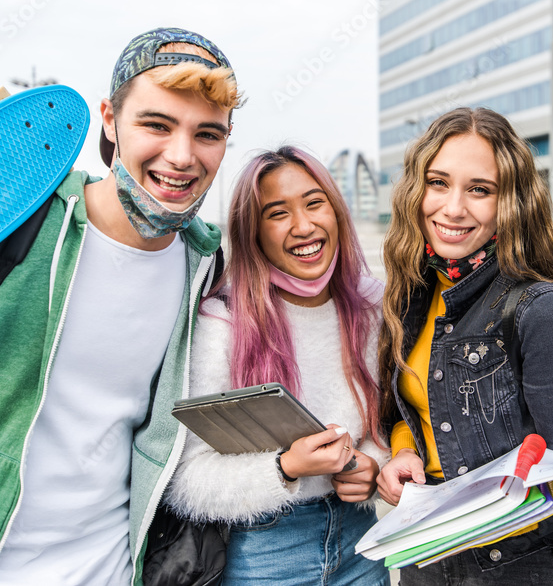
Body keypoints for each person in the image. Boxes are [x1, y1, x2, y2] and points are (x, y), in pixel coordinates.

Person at [0, 27, 242, 584]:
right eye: (156, 124)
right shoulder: (17, 217)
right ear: (109, 119)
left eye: (208, 134)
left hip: (106, 569)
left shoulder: (205, 263)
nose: (182, 156)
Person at [375, 107, 553, 584]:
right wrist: (401, 454)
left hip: (515, 567)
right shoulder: (413, 294)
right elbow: (405, 413)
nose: (453, 208)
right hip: (427, 554)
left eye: (479, 189)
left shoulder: (539, 308)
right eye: (438, 183)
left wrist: (493, 504)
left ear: (510, 203)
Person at [164, 146, 390, 585]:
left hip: (361, 541)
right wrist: (285, 468)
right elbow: (186, 483)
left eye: (314, 202)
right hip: (264, 551)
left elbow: (390, 429)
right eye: (277, 213)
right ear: (254, 232)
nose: (304, 226)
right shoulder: (223, 324)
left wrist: (372, 466)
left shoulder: (373, 308)